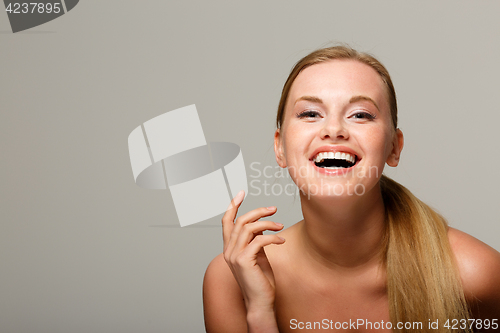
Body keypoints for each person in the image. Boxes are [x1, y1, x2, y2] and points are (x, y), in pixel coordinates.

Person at [202, 46, 500, 333]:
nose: (333, 129)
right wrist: (260, 313)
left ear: (394, 148)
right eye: (309, 114)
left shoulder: (474, 274)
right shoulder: (231, 281)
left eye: (360, 114)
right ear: (279, 148)